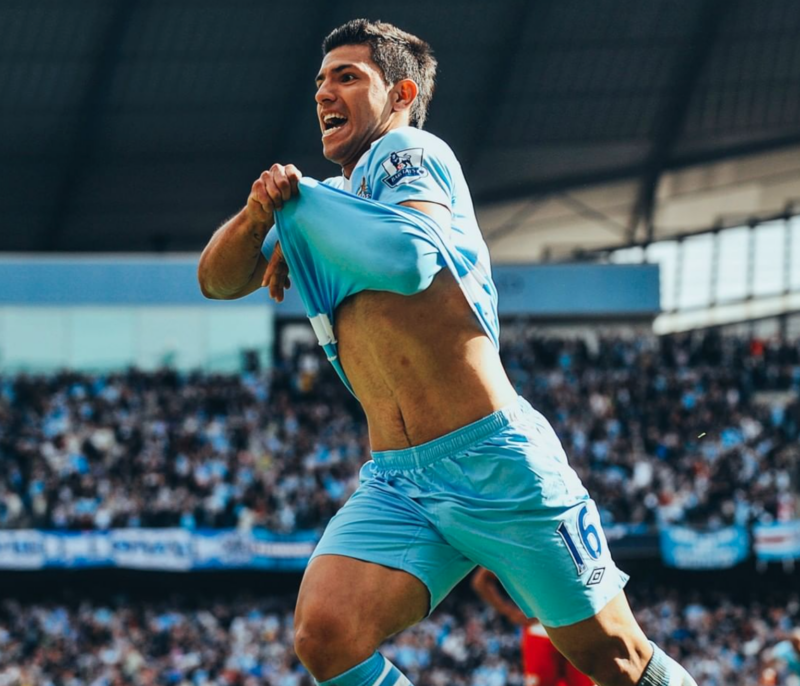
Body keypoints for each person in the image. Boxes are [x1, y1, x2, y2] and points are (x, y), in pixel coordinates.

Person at [197, 18, 696, 686]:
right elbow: (217, 280)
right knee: (327, 634)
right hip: (399, 480)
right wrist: (263, 213)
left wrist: (307, 209)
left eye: (347, 77)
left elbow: (407, 258)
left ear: (401, 93)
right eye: (319, 81)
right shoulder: (324, 204)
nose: (323, 93)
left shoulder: (409, 151)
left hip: (497, 463)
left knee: (616, 655)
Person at [472, 568, 594, 686]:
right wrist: (510, 612)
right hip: (541, 631)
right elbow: (481, 581)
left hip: (577, 629)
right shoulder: (520, 553)